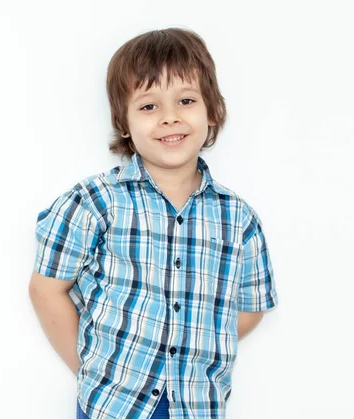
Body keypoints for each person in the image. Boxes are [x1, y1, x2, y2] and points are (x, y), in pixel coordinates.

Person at [28, 27, 278, 419]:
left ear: (211, 110)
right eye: (149, 106)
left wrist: (193, 341)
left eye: (186, 100)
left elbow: (250, 308)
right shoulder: (95, 202)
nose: (169, 118)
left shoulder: (238, 218)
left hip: (197, 406)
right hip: (113, 405)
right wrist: (91, 369)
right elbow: (46, 289)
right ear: (123, 121)